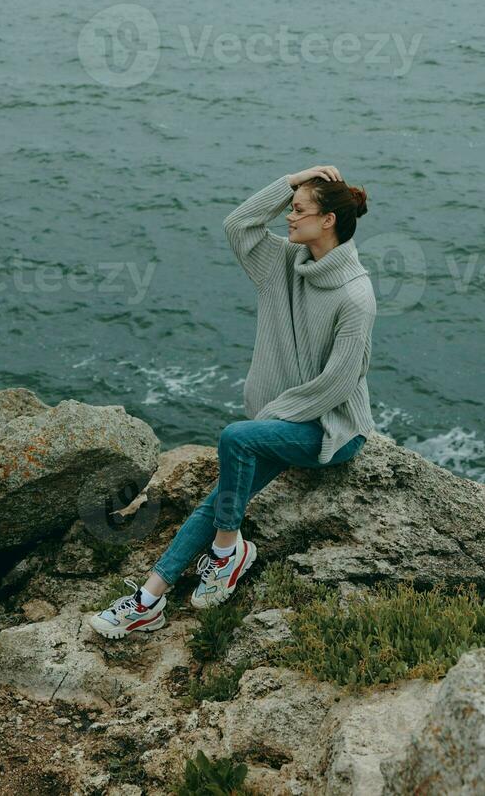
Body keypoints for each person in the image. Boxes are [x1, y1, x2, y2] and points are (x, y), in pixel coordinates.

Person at [90, 165, 377, 639]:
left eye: (299, 210)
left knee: (237, 440)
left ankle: (228, 553)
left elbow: (338, 384)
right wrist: (292, 180)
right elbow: (238, 225)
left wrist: (269, 420)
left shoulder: (356, 296)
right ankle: (149, 600)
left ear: (328, 220)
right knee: (219, 501)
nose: (288, 217)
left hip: (333, 430)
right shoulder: (283, 263)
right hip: (284, 425)